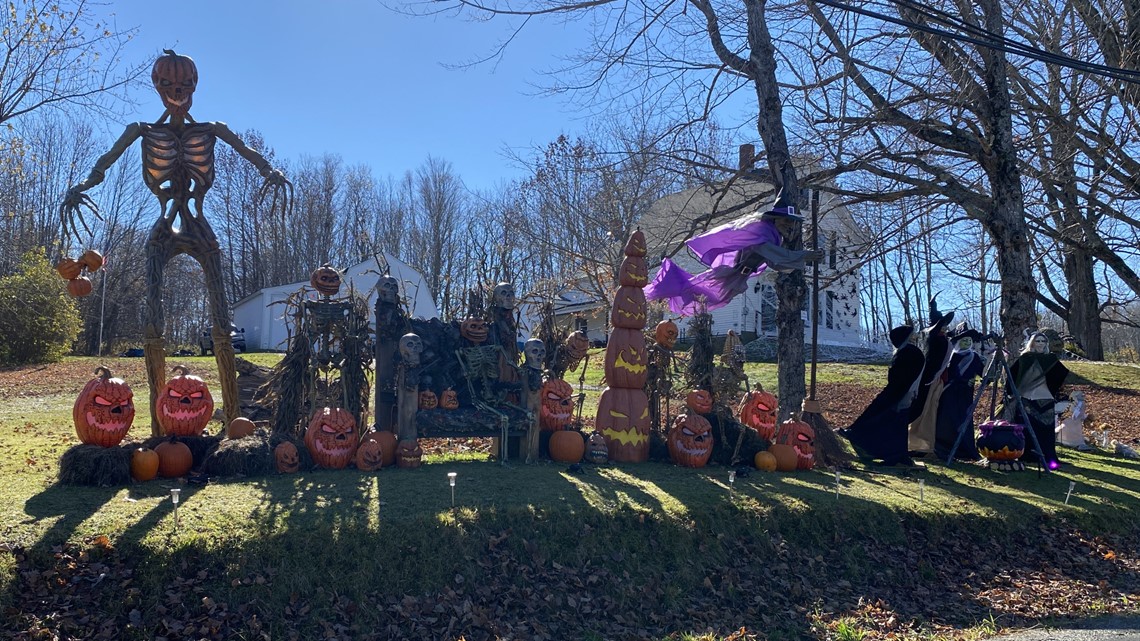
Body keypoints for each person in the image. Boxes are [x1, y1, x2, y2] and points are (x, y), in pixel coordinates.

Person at [840, 324, 925, 466]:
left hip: (901, 394)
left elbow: (898, 378)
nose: (914, 337)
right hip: (903, 394)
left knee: (888, 422)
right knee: (892, 424)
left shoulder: (908, 353)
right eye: (911, 335)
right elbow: (900, 378)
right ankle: (894, 454)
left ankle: (892, 454)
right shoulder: (909, 353)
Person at [1004, 331, 1069, 467]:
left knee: (1046, 430)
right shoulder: (1026, 358)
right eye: (1037, 341)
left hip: (1046, 397)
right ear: (1032, 343)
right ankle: (1028, 455)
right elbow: (1012, 376)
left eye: (1043, 341)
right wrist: (1012, 391)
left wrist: (1054, 389)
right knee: (1028, 428)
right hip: (1027, 398)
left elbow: (1062, 375)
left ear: (1047, 344)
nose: (1040, 344)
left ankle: (1047, 456)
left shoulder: (1051, 359)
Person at [933, 324, 985, 460]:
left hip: (965, 394)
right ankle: (943, 447)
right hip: (949, 393)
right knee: (946, 418)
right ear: (958, 341)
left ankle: (964, 449)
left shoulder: (975, 357)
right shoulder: (950, 357)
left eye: (969, 340)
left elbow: (984, 374)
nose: (967, 342)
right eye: (964, 340)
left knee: (963, 419)